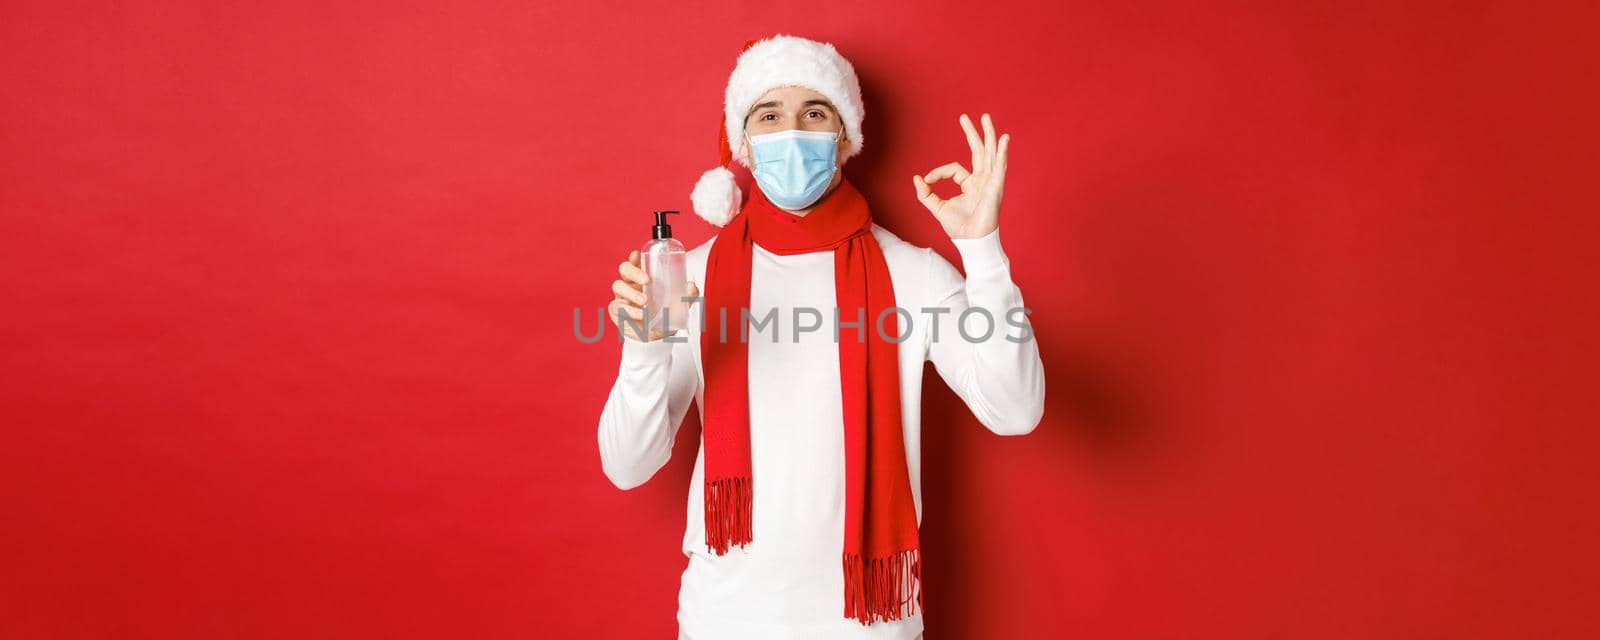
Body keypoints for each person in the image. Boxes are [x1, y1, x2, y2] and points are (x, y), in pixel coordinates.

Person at [597, 34, 1045, 640]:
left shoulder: (911, 274)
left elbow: (1015, 410)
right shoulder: (689, 277)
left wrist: (983, 252)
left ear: (844, 137)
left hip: (870, 625)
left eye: (814, 113)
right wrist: (646, 345)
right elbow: (627, 465)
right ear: (744, 144)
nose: (792, 131)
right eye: (769, 115)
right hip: (725, 619)